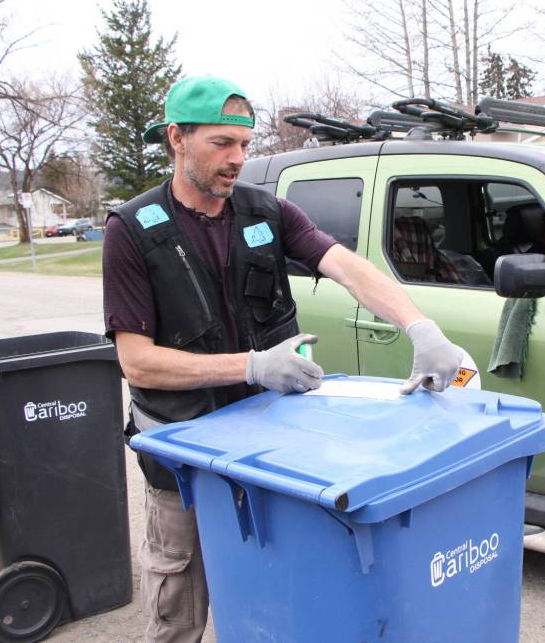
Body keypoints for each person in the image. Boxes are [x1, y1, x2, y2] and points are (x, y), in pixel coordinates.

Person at [102, 75, 462, 643]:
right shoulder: (132, 230)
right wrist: (249, 366)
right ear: (177, 138)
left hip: (271, 448)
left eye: (245, 144)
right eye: (221, 143)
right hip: (182, 453)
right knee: (177, 603)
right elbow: (138, 363)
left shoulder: (265, 212)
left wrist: (420, 326)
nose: (238, 158)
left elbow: (347, 265)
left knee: (278, 594)